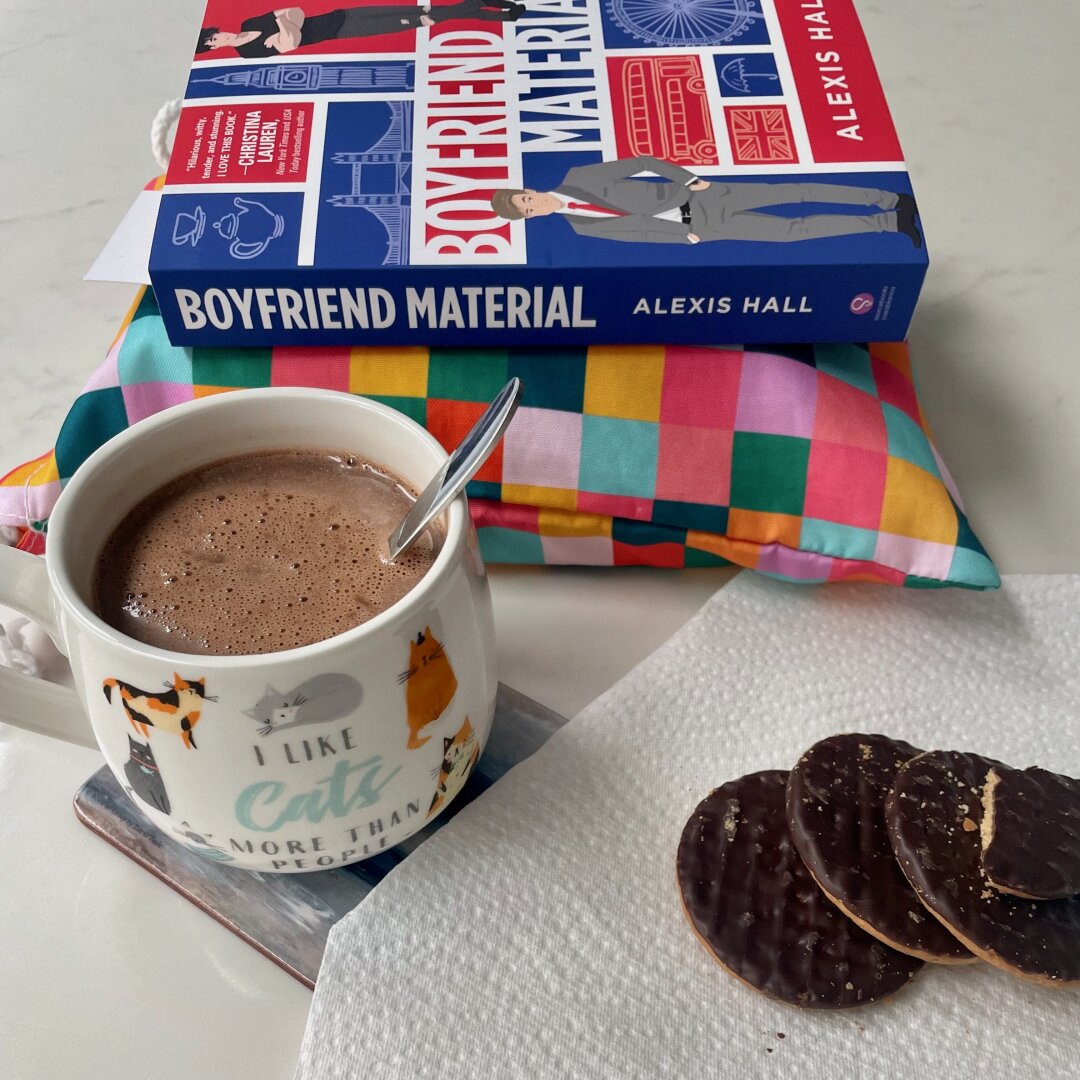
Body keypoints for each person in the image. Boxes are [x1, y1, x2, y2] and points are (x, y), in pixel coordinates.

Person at [490, 155, 922, 247]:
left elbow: (642, 162)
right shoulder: (581, 227)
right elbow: (642, 236)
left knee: (796, 192)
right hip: (701, 227)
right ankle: (890, 223)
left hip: (703, 194)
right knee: (792, 233)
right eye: (526, 211)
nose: (533, 205)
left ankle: (888, 197)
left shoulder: (578, 176)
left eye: (526, 198)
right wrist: (684, 239)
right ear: (530, 218)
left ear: (530, 189)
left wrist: (690, 179)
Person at [197, 1, 525, 57]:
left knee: (422, 11)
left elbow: (296, 12)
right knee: (424, 20)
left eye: (216, 31)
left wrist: (283, 28)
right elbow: (293, 41)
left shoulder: (248, 25)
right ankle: (483, 6)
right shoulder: (248, 51)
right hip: (342, 32)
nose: (221, 35)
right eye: (215, 39)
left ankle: (498, 14)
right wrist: (283, 25)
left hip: (343, 14)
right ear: (213, 46)